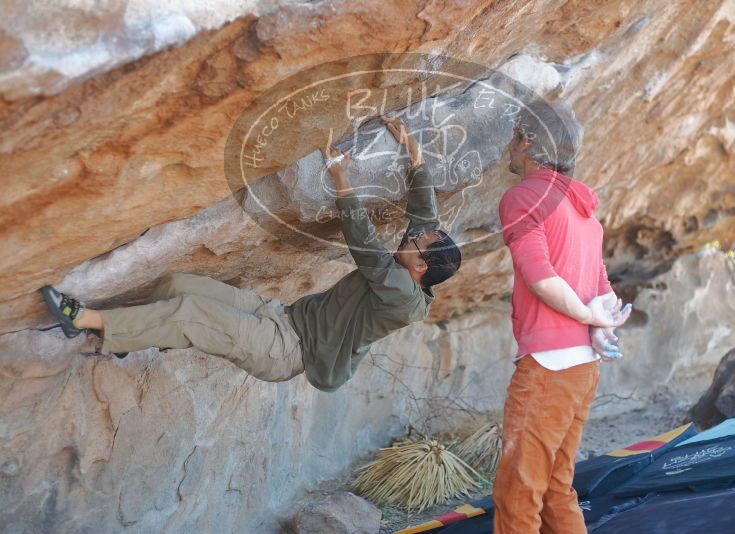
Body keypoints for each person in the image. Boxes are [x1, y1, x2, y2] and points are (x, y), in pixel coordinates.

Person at [39, 117, 461, 393]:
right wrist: (416, 158)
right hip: (281, 315)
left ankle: (84, 322)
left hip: (286, 350)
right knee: (175, 285)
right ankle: (132, 335)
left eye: (417, 243)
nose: (412, 237)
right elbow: (426, 219)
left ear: (421, 267)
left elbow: (364, 243)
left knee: (189, 313)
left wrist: (341, 178)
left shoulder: (402, 297)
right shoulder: (417, 265)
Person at [492, 101, 632, 534]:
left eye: (514, 137)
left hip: (549, 367)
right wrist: (600, 320)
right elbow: (602, 286)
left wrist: (590, 313)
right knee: (556, 489)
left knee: (518, 493)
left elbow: (540, 277)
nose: (509, 148)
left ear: (529, 142)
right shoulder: (583, 208)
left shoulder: (523, 197)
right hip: (582, 370)